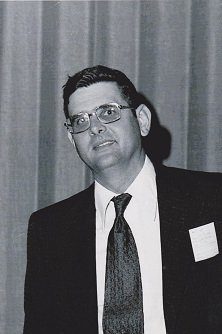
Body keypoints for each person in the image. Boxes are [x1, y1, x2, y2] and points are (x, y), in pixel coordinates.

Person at [23, 65, 222, 334]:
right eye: (80, 121)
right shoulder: (50, 230)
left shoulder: (211, 198)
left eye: (108, 112)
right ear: (72, 139)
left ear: (142, 120)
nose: (95, 127)